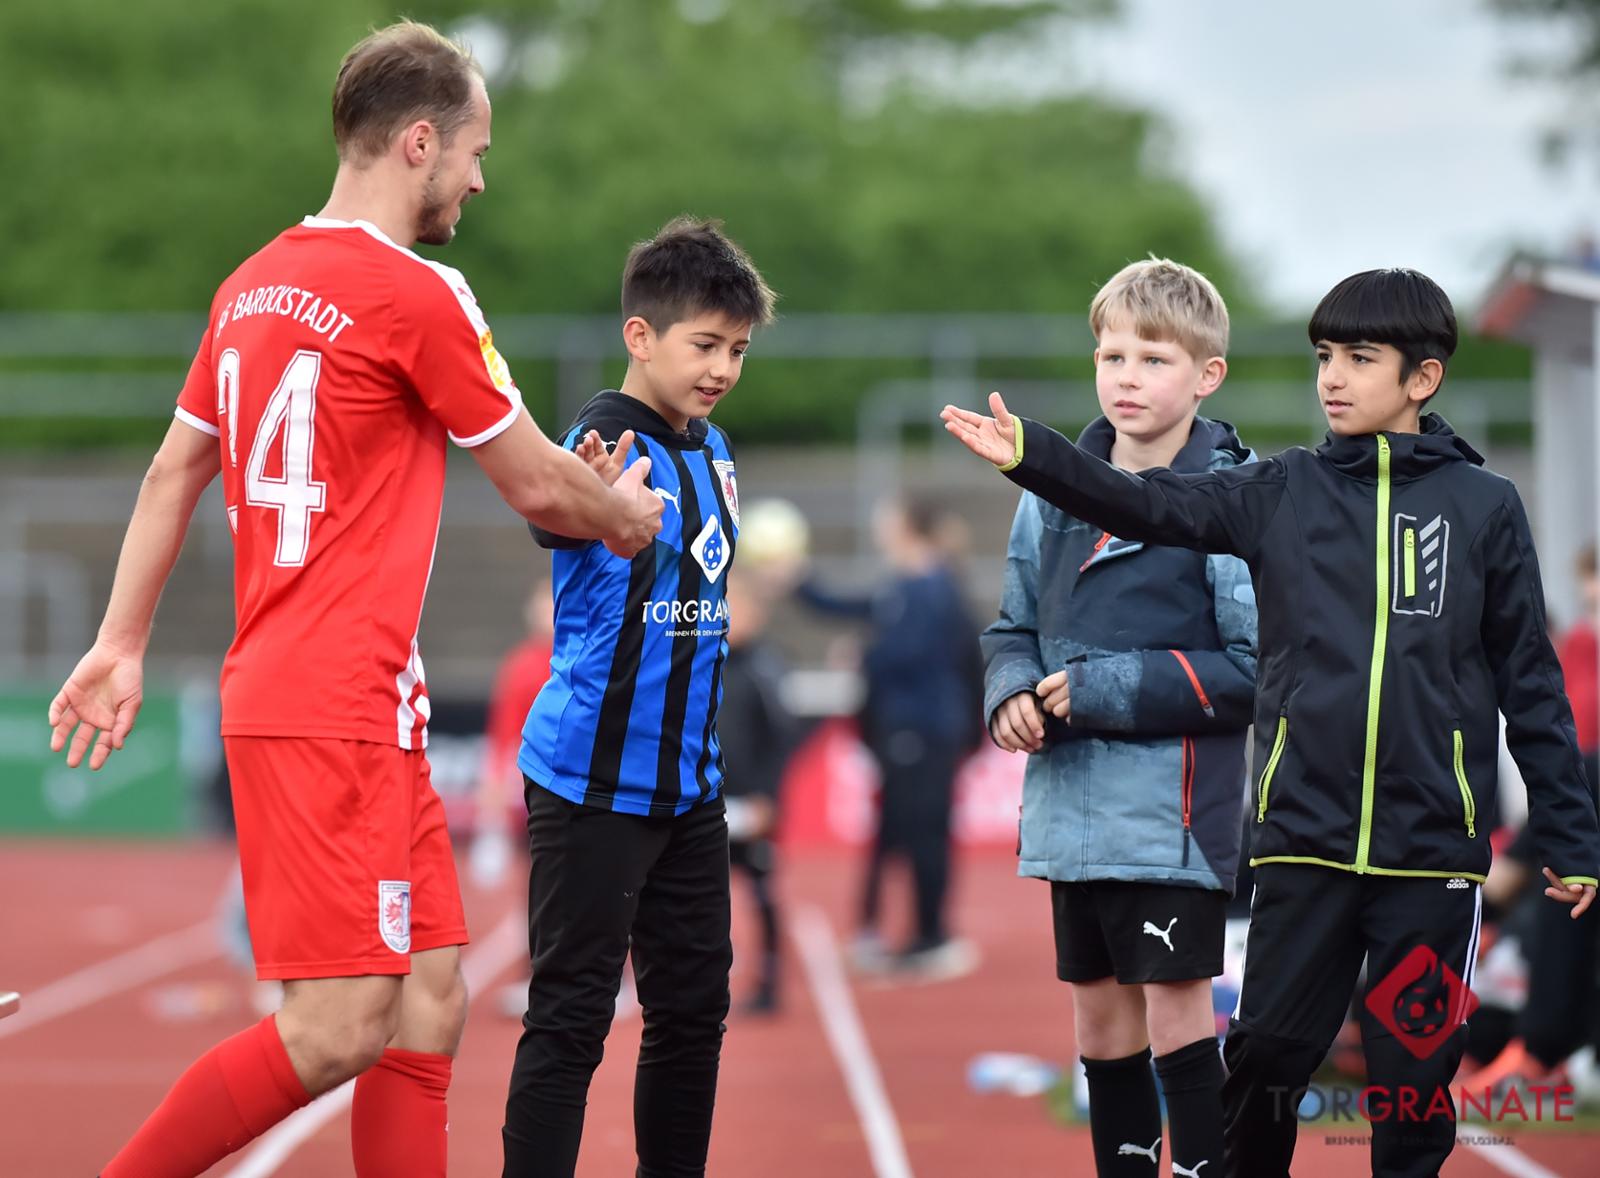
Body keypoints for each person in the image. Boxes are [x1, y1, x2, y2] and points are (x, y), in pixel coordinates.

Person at [45, 22, 661, 1178]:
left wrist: (121, 640)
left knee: (430, 999)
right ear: (419, 142)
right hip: (335, 704)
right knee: (337, 1028)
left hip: (349, 698)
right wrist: (623, 515)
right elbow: (536, 481)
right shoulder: (417, 292)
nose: (479, 178)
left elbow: (174, 469)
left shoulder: (250, 284)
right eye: (474, 151)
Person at [942, 267, 1600, 1178]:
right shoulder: (1281, 488)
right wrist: (1033, 456)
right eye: (1324, 356)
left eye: (1359, 358)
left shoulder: (1485, 508)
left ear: (1423, 378)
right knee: (1266, 1063)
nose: (1332, 377)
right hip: (1301, 846)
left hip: (1432, 859)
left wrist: (1571, 834)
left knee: (1412, 1089)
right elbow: (1147, 502)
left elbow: (1530, 680)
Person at [502, 216, 777, 1177]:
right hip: (592, 781)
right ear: (640, 336)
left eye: (738, 350)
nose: (723, 368)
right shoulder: (602, 437)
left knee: (694, 1010)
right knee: (571, 1016)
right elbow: (551, 510)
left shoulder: (718, 448)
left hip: (691, 789)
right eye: (705, 345)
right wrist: (590, 495)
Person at [981, 258, 1257, 1177]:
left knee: (1178, 1018)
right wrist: (1010, 692)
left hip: (1171, 819)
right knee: (1098, 1025)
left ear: (1207, 375)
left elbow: (1257, 668)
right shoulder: (1050, 489)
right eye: (1112, 356)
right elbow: (1012, 625)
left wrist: (1106, 688)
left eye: (1153, 358)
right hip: (1070, 813)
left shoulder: (1232, 496)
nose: (1126, 377)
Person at [798, 496, 984, 978]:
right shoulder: (903, 585)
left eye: (887, 519)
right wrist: (800, 582)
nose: (879, 527)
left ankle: (932, 936)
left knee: (924, 833)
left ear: (907, 527)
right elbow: (849, 607)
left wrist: (861, 654)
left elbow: (913, 652)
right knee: (897, 832)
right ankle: (884, 931)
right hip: (908, 729)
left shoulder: (932, 587)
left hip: (923, 729)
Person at [719, 567, 797, 1014]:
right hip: (705, 801)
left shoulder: (766, 667)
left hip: (752, 804)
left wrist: (768, 796)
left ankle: (768, 983)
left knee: (761, 891)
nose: (730, 614)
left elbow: (783, 737)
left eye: (739, 605)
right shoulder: (702, 657)